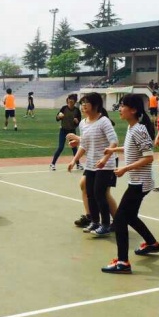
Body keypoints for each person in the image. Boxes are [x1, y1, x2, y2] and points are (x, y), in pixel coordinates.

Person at [100, 94, 159, 273]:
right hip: (137, 181)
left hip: (140, 183)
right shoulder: (132, 128)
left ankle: (123, 262)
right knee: (131, 216)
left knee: (120, 219)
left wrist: (125, 169)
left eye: (122, 106)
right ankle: (152, 243)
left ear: (133, 110)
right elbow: (130, 148)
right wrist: (113, 149)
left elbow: (148, 157)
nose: (119, 109)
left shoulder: (139, 130)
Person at [68, 92, 118, 236]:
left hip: (105, 165)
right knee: (90, 193)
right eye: (82, 103)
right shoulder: (83, 123)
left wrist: (104, 159)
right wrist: (74, 160)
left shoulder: (103, 121)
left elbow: (114, 141)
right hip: (90, 164)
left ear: (96, 105)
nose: (83, 105)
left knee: (99, 194)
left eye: (86, 103)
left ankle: (106, 225)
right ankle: (95, 222)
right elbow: (84, 145)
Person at [50, 94, 82, 171]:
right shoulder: (64, 108)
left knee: (74, 148)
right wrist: (59, 116)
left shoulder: (77, 110)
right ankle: (52, 164)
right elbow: (57, 118)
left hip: (72, 131)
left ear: (75, 101)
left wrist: (77, 121)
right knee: (60, 147)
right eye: (69, 99)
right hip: (63, 130)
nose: (70, 101)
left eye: (72, 99)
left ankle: (78, 164)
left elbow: (79, 122)